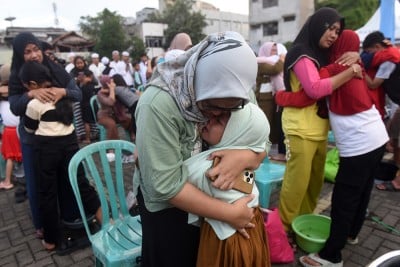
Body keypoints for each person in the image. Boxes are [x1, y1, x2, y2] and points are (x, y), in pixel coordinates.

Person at [134, 31, 266, 267]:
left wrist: (246, 157)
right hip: (169, 208)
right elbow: (166, 185)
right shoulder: (158, 105)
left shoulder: (239, 90)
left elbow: (260, 141)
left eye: (229, 112)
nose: (216, 116)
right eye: (212, 107)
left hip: (215, 198)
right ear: (200, 83)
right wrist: (230, 215)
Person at [276, 29, 389, 267]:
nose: (331, 42)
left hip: (360, 144)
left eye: (337, 37)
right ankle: (351, 235)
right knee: (362, 192)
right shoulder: (355, 67)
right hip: (377, 136)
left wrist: (280, 97)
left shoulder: (335, 69)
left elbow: (309, 95)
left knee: (343, 201)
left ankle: (331, 256)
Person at [276, 7, 360, 233]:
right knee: (296, 185)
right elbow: (314, 89)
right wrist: (350, 72)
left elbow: (338, 64)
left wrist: (356, 55)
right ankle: (283, 230)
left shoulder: (322, 56)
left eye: (337, 31)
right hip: (299, 130)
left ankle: (301, 225)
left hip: (319, 130)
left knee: (314, 184)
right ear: (318, 25)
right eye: (330, 28)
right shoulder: (302, 53)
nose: (334, 35)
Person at [19, 60, 101, 251]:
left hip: (46, 149)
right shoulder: (63, 95)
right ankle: (106, 220)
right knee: (82, 185)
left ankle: (50, 240)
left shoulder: (34, 103)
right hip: (70, 144)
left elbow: (29, 129)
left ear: (32, 85)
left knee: (47, 194)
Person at [8, 32, 81, 239]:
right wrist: (30, 94)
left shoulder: (56, 69)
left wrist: (62, 92)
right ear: (20, 55)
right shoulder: (17, 76)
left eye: (36, 49)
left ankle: (71, 216)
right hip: (35, 141)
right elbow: (14, 107)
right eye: (27, 51)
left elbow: (78, 94)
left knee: (67, 179)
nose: (33, 55)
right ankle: (43, 225)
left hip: (63, 136)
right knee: (38, 185)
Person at [185, 102, 270, 266]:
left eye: (219, 121)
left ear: (237, 135)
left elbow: (170, 182)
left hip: (228, 241)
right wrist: (249, 157)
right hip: (252, 223)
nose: (209, 119)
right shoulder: (242, 163)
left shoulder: (216, 167)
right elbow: (262, 146)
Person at [256, 41, 287, 161]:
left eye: (276, 50)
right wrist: (282, 58)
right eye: (272, 50)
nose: (275, 53)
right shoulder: (262, 63)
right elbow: (277, 68)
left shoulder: (270, 61)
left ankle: (271, 151)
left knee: (276, 125)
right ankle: (261, 153)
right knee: (266, 125)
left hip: (273, 98)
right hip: (264, 100)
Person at [362, 31, 400, 120]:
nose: (369, 55)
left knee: (394, 130)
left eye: (369, 52)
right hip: (395, 100)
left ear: (377, 46)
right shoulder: (392, 51)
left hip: (397, 101)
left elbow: (373, 84)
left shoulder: (388, 61)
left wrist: (359, 69)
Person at [0, 64, 21, 190]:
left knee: (10, 157)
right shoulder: (19, 93)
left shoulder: (3, 99)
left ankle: (8, 180)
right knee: (16, 156)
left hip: (9, 131)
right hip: (17, 130)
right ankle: (12, 179)